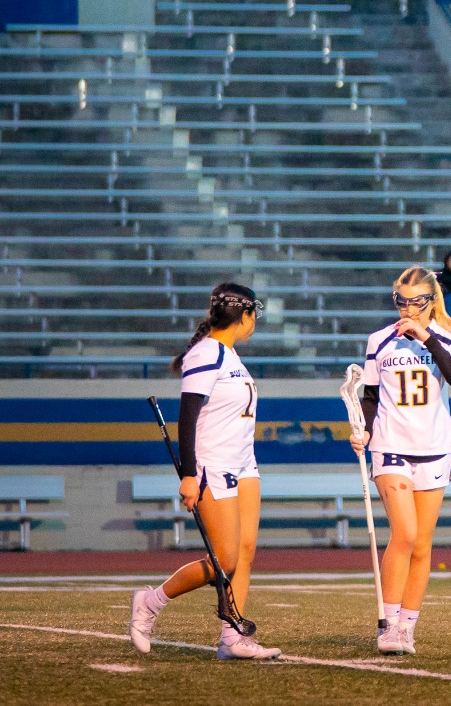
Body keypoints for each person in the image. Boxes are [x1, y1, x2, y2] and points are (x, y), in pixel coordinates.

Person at [129, 283, 281, 660]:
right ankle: (150, 601)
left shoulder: (229, 355)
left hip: (244, 463)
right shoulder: (207, 353)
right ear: (244, 316)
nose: (254, 324)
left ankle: (232, 638)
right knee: (224, 561)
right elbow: (188, 418)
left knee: (245, 553)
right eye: (254, 317)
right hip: (214, 464)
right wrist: (189, 474)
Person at [354, 266, 451, 655]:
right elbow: (370, 394)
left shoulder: (449, 337)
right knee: (404, 534)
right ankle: (388, 626)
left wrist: (426, 336)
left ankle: (407, 627)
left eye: (415, 302)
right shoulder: (379, 340)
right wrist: (366, 430)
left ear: (430, 301)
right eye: (400, 302)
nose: (406, 309)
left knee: (422, 545)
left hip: (435, 447)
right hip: (390, 446)